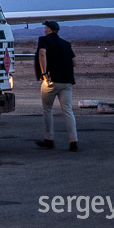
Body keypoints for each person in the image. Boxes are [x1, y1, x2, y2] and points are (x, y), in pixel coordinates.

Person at [34, 20, 78, 151]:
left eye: (45, 28)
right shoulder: (66, 44)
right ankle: (73, 141)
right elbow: (74, 62)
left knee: (47, 109)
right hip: (67, 81)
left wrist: (43, 72)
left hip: (51, 81)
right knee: (68, 111)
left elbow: (42, 53)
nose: (44, 30)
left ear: (48, 29)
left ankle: (49, 138)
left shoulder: (44, 40)